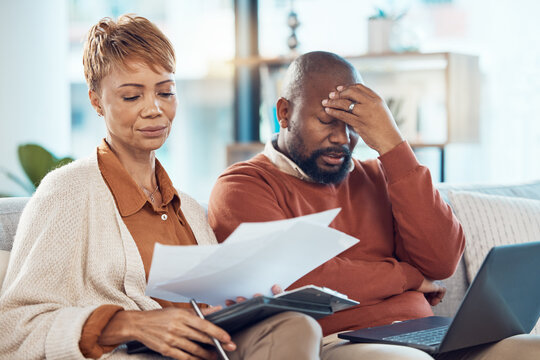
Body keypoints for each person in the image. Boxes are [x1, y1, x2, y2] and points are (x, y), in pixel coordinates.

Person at [0, 16, 322, 360]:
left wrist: (237, 307)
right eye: (131, 96)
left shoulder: (191, 211)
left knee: (297, 324)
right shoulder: (66, 192)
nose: (154, 109)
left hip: (209, 351)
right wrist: (131, 324)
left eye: (165, 92)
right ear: (96, 101)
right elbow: (13, 329)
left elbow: (205, 311)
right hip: (133, 354)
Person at [208, 51, 540, 359]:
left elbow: (441, 263)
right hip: (341, 340)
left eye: (353, 124)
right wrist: (408, 276)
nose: (342, 138)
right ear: (284, 112)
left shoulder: (381, 175)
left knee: (531, 348)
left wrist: (392, 144)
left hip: (428, 333)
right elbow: (297, 284)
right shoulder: (244, 185)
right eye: (327, 121)